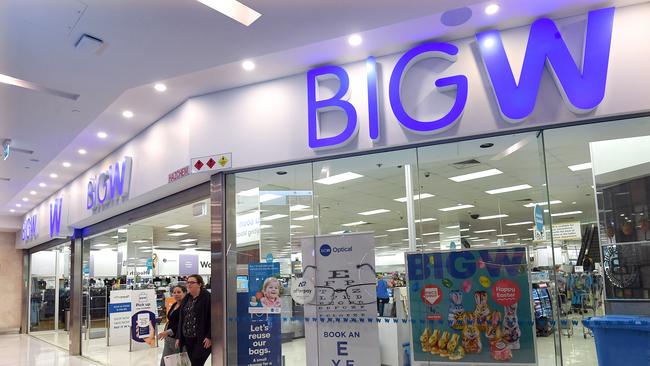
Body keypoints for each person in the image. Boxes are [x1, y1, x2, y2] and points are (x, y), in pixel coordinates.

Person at [176, 275, 211, 366]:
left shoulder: (207, 297)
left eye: (192, 282)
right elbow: (182, 319)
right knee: (193, 362)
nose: (189, 284)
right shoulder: (187, 298)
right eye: (188, 282)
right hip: (188, 338)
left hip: (201, 339)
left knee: (197, 362)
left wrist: (209, 336)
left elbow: (213, 318)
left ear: (199, 284)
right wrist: (179, 337)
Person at [158, 285, 187, 366]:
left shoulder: (186, 306)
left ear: (184, 293)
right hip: (169, 338)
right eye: (174, 292)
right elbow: (171, 320)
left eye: (179, 292)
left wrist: (168, 332)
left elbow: (182, 324)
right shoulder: (174, 304)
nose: (176, 294)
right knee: (165, 361)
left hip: (178, 338)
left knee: (179, 362)